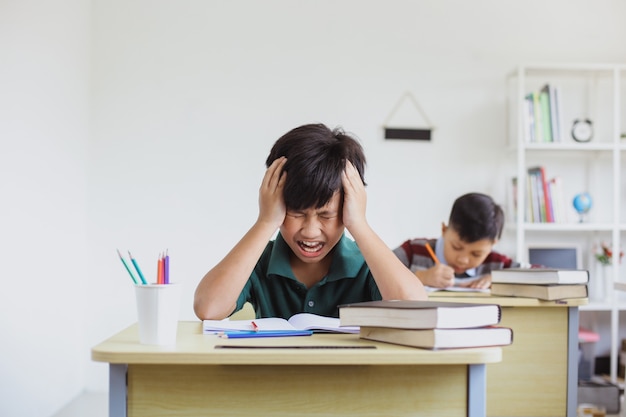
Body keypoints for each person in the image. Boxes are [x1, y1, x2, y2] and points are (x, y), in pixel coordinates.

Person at [194, 123, 427, 320]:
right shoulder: (260, 260)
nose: (311, 231)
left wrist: (359, 224)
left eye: (326, 215)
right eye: (296, 213)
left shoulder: (367, 265)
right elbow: (208, 308)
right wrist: (265, 222)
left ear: (348, 208)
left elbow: (416, 310)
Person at [393, 192, 518, 290]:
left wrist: (499, 279)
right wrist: (420, 277)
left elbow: (536, 273)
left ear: (492, 245)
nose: (463, 260)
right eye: (456, 247)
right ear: (444, 230)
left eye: (476, 254)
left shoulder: (497, 263)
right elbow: (373, 275)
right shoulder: (413, 251)